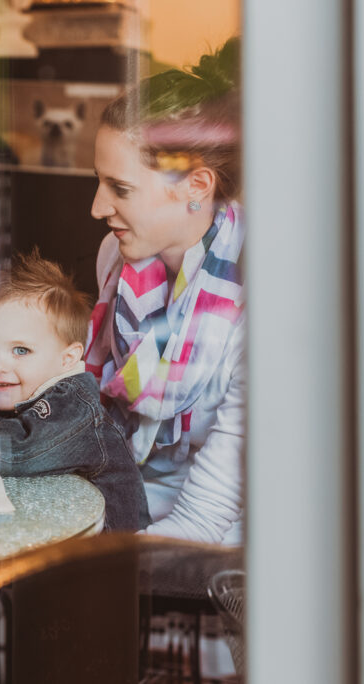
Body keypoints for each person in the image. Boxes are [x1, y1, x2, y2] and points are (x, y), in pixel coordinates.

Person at [85, 38, 244, 543]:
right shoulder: (115, 258)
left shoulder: (265, 307)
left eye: (120, 188)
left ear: (197, 185)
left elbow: (203, 522)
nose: (97, 207)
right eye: (98, 181)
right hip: (131, 519)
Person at [0, 250, 150, 532]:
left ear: (67, 359)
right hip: (33, 536)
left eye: (21, 350)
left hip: (100, 557)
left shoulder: (74, 407)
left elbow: (20, 451)